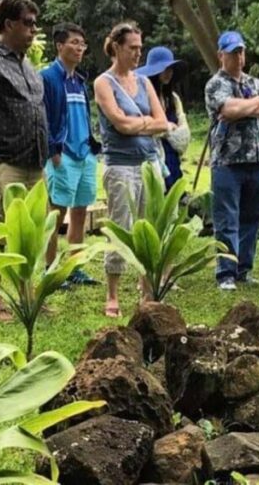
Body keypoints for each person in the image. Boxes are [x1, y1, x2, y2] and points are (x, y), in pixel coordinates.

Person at [94, 22, 168, 317]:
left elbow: (163, 122)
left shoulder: (145, 82)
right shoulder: (103, 82)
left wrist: (141, 125)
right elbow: (119, 124)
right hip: (120, 167)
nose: (138, 53)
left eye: (140, 47)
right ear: (116, 47)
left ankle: (146, 289)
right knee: (121, 228)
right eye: (133, 48)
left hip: (149, 165)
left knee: (150, 228)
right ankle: (112, 294)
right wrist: (146, 125)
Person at [0, 0, 48, 321]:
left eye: (35, 23)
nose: (33, 29)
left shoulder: (27, 63)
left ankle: (26, 295)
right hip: (4, 161)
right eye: (28, 23)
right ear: (8, 24)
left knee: (30, 233)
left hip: (35, 162)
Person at [205, 30, 259, 290]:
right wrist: (256, 104)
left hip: (257, 160)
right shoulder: (215, 84)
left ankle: (244, 269)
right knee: (227, 218)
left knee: (253, 215)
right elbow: (228, 109)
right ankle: (226, 273)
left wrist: (248, 106)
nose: (238, 56)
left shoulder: (255, 83)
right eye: (233, 52)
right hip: (227, 161)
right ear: (220, 55)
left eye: (241, 51)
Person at [41, 22, 99, 288]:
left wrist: (91, 148)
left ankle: (74, 268)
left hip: (84, 154)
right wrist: (53, 152)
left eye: (82, 43)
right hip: (61, 156)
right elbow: (43, 119)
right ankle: (51, 271)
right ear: (59, 45)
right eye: (74, 42)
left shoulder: (79, 80)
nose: (79, 48)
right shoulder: (48, 77)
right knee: (56, 214)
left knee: (79, 213)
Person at [136, 46, 190, 192]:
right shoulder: (143, 98)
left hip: (172, 155)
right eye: (164, 69)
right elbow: (142, 127)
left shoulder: (173, 99)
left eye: (170, 69)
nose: (168, 73)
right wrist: (166, 127)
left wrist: (166, 129)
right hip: (151, 154)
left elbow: (184, 131)